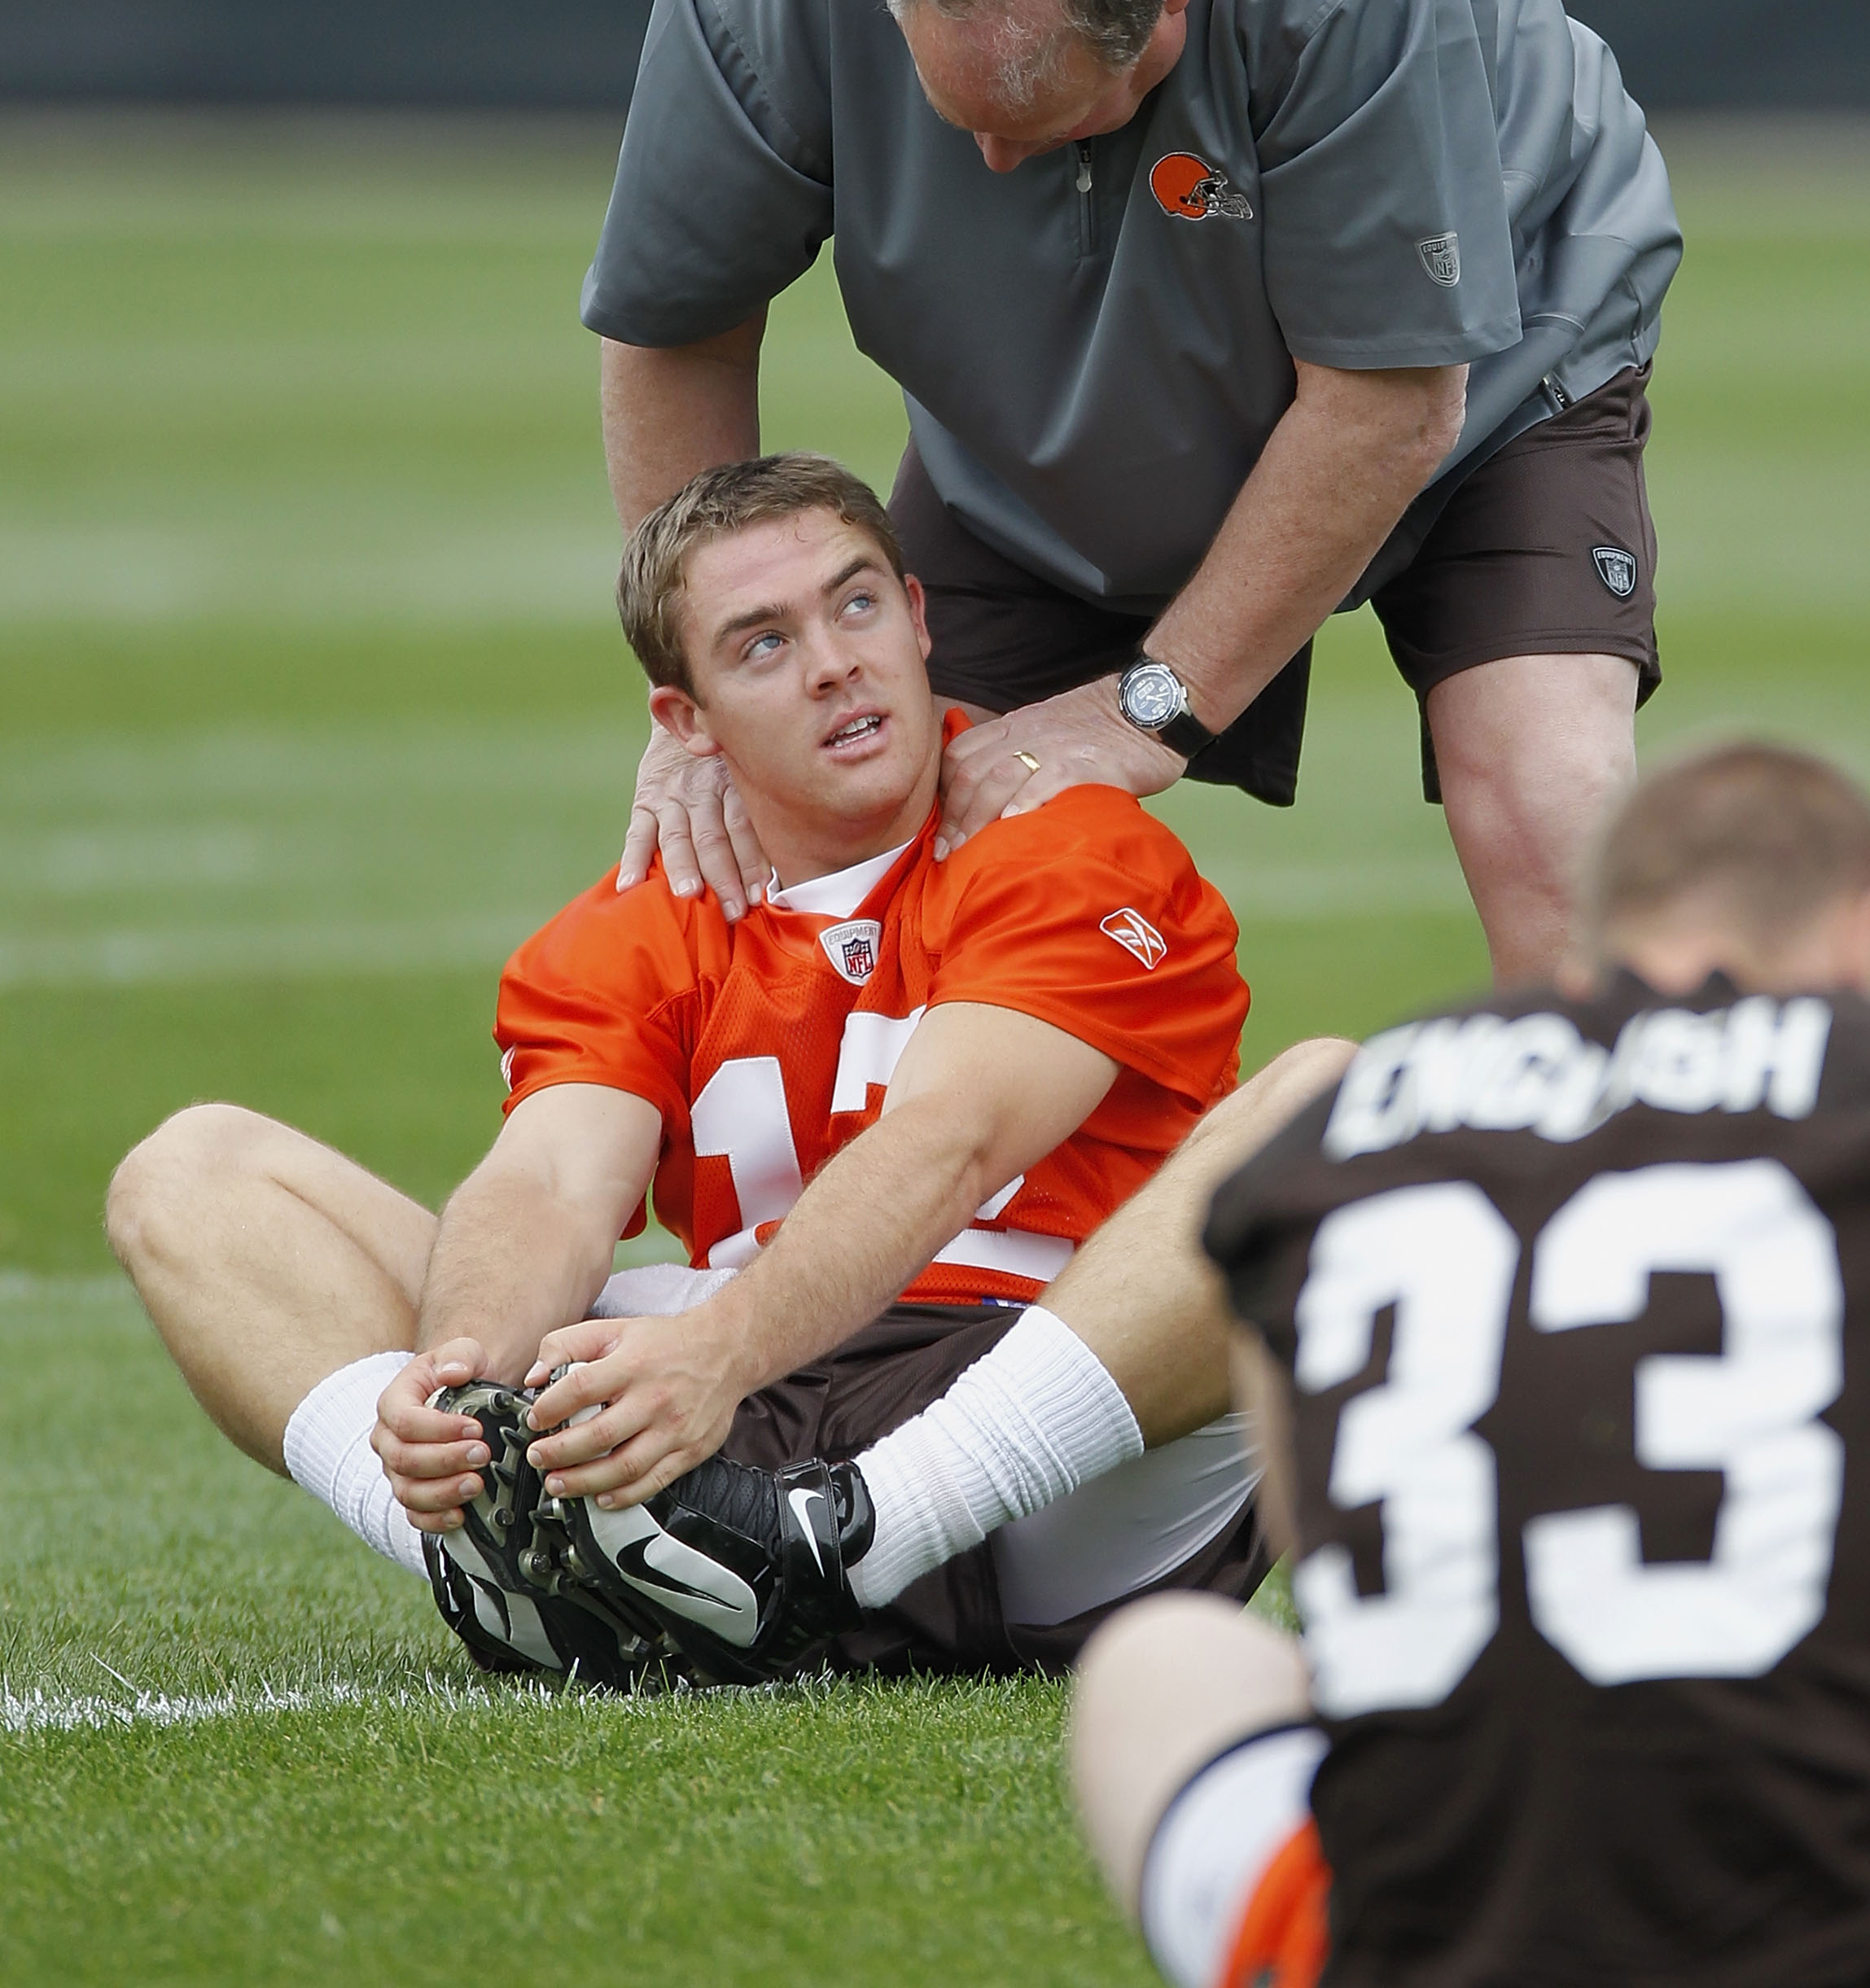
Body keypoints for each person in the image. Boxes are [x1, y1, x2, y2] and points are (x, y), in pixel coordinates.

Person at [107, 453, 1311, 1688]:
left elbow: (949, 1137)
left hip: (1037, 1418)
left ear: (917, 615)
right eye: (761, 644)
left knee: (1331, 1104)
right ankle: (502, 1553)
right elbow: (551, 1188)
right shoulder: (644, 918)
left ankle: (847, 1541)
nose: (835, 661)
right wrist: (457, 1382)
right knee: (191, 1170)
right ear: (685, 725)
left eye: (854, 606)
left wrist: (723, 1348)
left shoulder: (1064, 843)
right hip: (745, 1421)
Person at [585, 0, 1683, 987]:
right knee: (864, 872)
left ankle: (1652, 1172)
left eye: (1043, 125)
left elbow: (1389, 399)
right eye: (957, 119)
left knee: (1547, 813)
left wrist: (1148, 707)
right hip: (1028, 425)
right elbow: (676, 328)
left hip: (1496, 364)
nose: (990, 164)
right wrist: (714, 709)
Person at [1071, 740, 1870, 1988]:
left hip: (1427, 1936)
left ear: (1586, 959)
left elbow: (1311, 1537)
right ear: (1854, 935)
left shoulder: (1351, 1120)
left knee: (1159, 1664)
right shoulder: (1843, 1079)